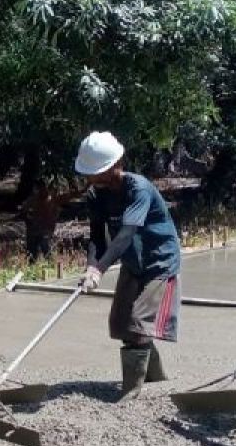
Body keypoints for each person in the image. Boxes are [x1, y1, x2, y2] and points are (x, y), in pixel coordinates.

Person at [75, 132, 182, 401]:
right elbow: (97, 237)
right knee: (121, 325)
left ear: (115, 165)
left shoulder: (138, 189)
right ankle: (155, 376)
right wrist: (90, 266)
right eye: (90, 174)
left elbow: (126, 233)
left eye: (97, 173)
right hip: (133, 261)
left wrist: (100, 269)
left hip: (159, 261)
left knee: (138, 325)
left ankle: (131, 392)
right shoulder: (95, 195)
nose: (92, 179)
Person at [20, 180, 81, 261]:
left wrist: (77, 188)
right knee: (32, 255)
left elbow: (75, 195)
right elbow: (23, 211)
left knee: (46, 250)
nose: (40, 192)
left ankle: (50, 266)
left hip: (46, 231)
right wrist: (29, 222)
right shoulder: (33, 200)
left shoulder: (53, 199)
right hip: (34, 231)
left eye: (42, 189)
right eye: (38, 190)